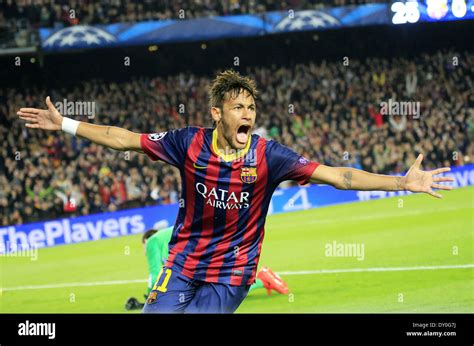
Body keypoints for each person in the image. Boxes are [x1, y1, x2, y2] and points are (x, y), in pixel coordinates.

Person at [17, 70, 453, 313]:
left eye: (252, 107)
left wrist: (401, 181)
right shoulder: (186, 142)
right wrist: (66, 124)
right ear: (217, 113)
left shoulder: (271, 155)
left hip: (232, 272)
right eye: (238, 107)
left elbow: (340, 177)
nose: (248, 114)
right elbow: (123, 137)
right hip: (183, 263)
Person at [125, 227, 289, 311]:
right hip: (208, 245)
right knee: (218, 285)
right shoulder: (166, 236)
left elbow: (155, 274)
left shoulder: (153, 241)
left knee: (209, 290)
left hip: (197, 255)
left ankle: (261, 278)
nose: (144, 250)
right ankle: (261, 278)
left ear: (146, 240)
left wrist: (149, 299)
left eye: (143, 246)